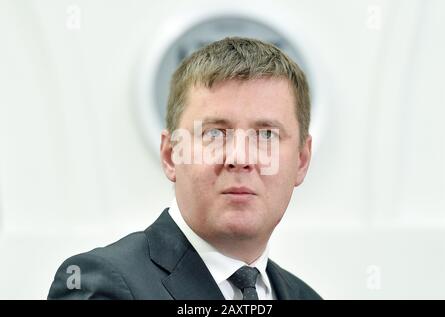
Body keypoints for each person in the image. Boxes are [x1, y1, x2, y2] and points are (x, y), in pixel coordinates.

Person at [48, 37, 321, 300]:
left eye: (266, 135)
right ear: (170, 155)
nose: (240, 157)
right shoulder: (101, 284)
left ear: (302, 160)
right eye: (214, 134)